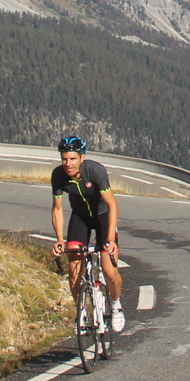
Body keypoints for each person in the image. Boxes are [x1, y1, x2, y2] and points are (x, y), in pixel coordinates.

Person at [50, 135, 124, 332]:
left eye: (72, 159)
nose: (68, 163)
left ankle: (116, 305)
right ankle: (81, 310)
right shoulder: (58, 176)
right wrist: (59, 239)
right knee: (74, 268)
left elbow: (112, 205)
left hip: (103, 216)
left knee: (109, 270)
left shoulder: (95, 171)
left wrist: (110, 239)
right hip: (80, 217)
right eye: (64, 158)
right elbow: (57, 208)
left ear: (82, 158)